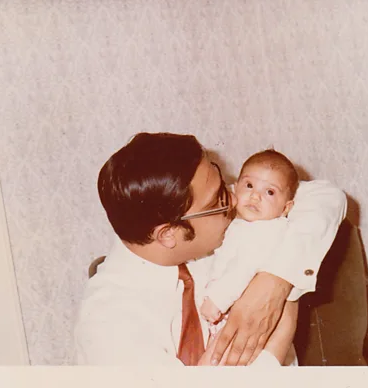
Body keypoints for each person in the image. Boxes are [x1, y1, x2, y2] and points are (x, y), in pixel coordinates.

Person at [74, 132, 347, 366]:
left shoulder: (200, 221)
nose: (233, 201)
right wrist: (277, 340)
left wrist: (276, 281)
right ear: (168, 234)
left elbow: (325, 197)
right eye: (218, 200)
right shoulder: (111, 325)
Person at [200, 149, 300, 331]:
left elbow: (245, 266)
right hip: (224, 312)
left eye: (270, 192)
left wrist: (217, 299)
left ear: (286, 207)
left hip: (241, 315)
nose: (255, 196)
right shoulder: (242, 223)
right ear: (235, 188)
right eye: (249, 185)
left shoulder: (269, 230)